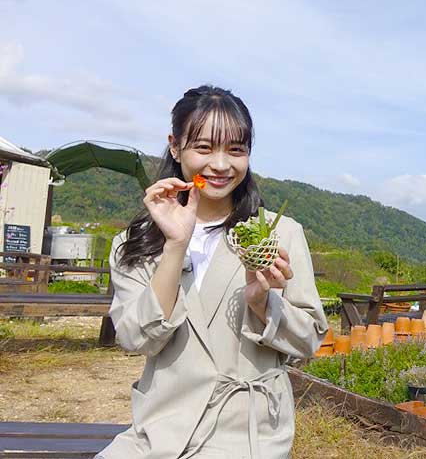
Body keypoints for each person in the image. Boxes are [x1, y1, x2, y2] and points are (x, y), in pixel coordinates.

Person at [98, 86, 327, 459]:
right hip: (159, 429)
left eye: (236, 150)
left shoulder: (279, 234)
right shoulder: (136, 241)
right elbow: (136, 340)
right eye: (204, 148)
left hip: (247, 434)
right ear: (175, 146)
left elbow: (309, 340)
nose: (221, 165)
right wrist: (175, 245)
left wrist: (262, 303)